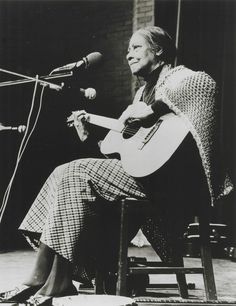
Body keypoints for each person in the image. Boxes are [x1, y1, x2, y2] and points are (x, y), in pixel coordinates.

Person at [0, 26, 233, 305]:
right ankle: (48, 277)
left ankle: (51, 279)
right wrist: (89, 141)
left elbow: (205, 86)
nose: (128, 54)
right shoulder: (140, 95)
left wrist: (155, 109)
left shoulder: (182, 77)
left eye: (136, 47)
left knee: (75, 171)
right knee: (65, 171)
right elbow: (122, 158)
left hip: (172, 187)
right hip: (143, 177)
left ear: (158, 50)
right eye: (127, 49)